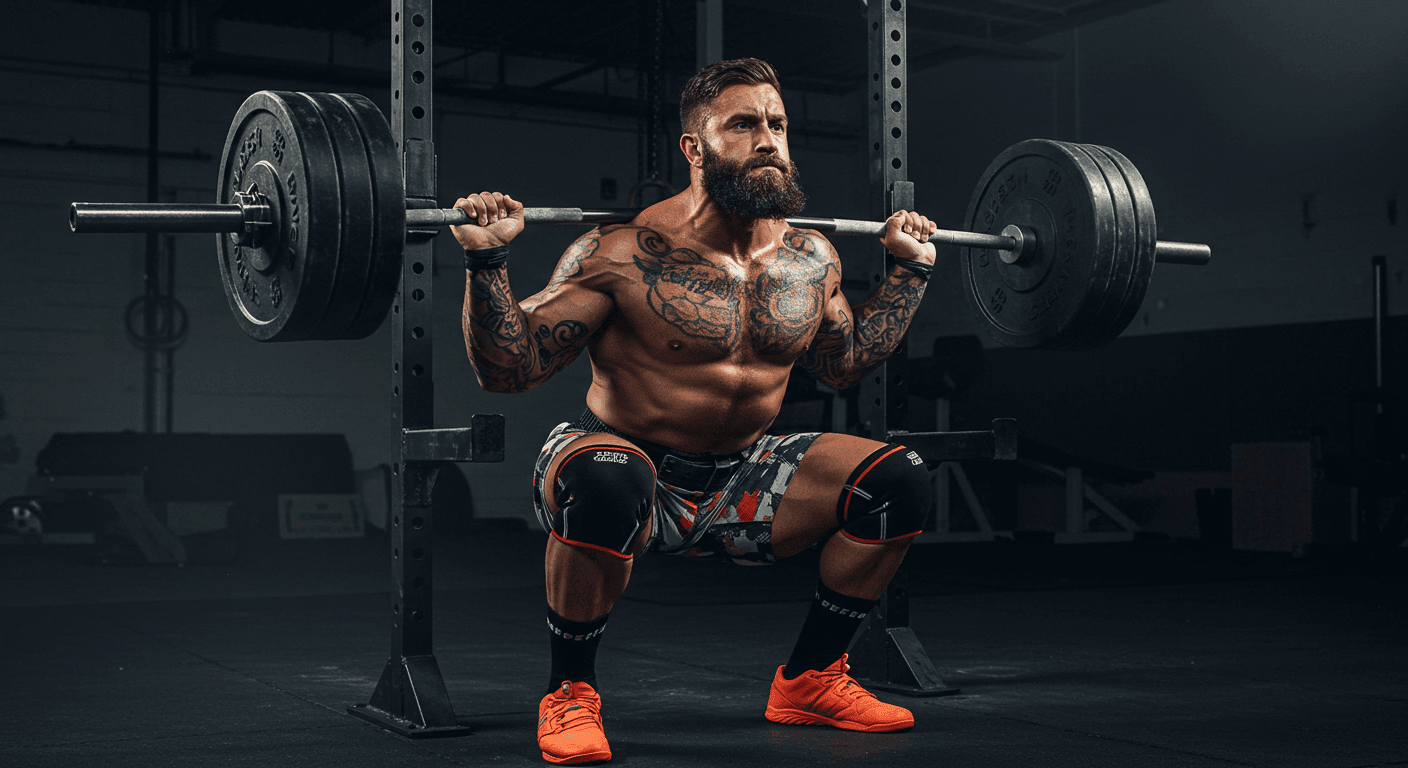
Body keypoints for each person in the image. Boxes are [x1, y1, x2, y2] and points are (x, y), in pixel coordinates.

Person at [453, 58, 938, 766]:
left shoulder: (812, 259)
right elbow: (508, 370)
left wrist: (912, 273)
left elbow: (843, 363)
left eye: (776, 123)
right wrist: (487, 264)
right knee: (609, 477)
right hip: (622, 458)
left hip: (741, 474)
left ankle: (809, 680)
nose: (768, 139)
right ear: (694, 147)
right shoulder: (621, 254)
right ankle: (569, 693)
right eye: (743, 124)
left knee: (900, 482)